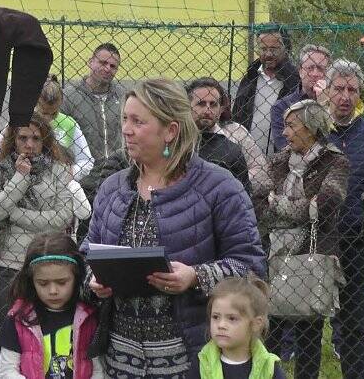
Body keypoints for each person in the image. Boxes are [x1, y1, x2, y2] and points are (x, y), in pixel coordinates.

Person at [82, 78, 266, 378]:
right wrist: (94, 281)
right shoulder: (112, 189)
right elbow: (86, 254)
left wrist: (197, 276)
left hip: (190, 359)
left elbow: (252, 268)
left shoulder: (219, 188)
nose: (126, 129)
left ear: (170, 130)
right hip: (119, 360)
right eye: (124, 119)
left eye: (138, 121)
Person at [257, 99, 349, 379]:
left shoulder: (335, 162)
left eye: (291, 126)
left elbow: (326, 206)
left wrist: (278, 203)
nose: (284, 133)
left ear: (310, 128)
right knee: (269, 331)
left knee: (309, 334)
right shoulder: (278, 160)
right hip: (273, 254)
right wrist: (300, 207)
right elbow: (258, 204)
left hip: (313, 253)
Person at [0, 113, 74, 379]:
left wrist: (15, 214)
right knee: (5, 345)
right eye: (23, 138)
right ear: (12, 140)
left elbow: (62, 216)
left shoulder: (58, 169)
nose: (29, 144)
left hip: (47, 269)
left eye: (36, 138)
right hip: (5, 268)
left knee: (47, 343)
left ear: (45, 140)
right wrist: (20, 178)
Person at [322, 59, 364, 379]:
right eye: (339, 89)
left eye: (352, 90)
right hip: (317, 241)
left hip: (357, 240)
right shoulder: (314, 132)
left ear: (359, 94)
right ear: (328, 91)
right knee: (308, 319)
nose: (345, 96)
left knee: (355, 321)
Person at [0, 231, 104, 379]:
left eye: (62, 282)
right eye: (43, 283)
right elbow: (7, 371)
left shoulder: (90, 318)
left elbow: (99, 370)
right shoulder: (18, 318)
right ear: (31, 280)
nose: (53, 291)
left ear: (77, 276)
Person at [186, 276, 285, 379]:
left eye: (232, 318)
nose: (221, 325)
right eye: (215, 317)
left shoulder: (269, 368)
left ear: (256, 324)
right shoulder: (202, 363)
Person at [187, 76, 271, 191]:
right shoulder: (176, 135)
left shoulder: (236, 132)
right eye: (201, 104)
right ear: (188, 107)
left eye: (213, 104)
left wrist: (230, 184)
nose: (207, 110)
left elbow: (260, 169)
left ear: (221, 109)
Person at [232, 30, 299, 156]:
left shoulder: (295, 81)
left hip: (285, 158)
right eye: (263, 49)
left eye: (274, 49)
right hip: (248, 159)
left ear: (285, 49)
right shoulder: (249, 79)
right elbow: (237, 118)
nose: (268, 54)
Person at [60, 43, 124, 162]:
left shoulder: (122, 96)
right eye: (103, 63)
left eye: (113, 66)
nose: (107, 69)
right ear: (90, 62)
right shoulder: (68, 97)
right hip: (83, 173)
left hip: (116, 170)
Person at [270, 45, 332, 151]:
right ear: (300, 71)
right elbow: (284, 148)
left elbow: (338, 141)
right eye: (310, 68)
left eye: (321, 69)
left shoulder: (337, 103)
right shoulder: (281, 107)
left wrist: (324, 104)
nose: (315, 74)